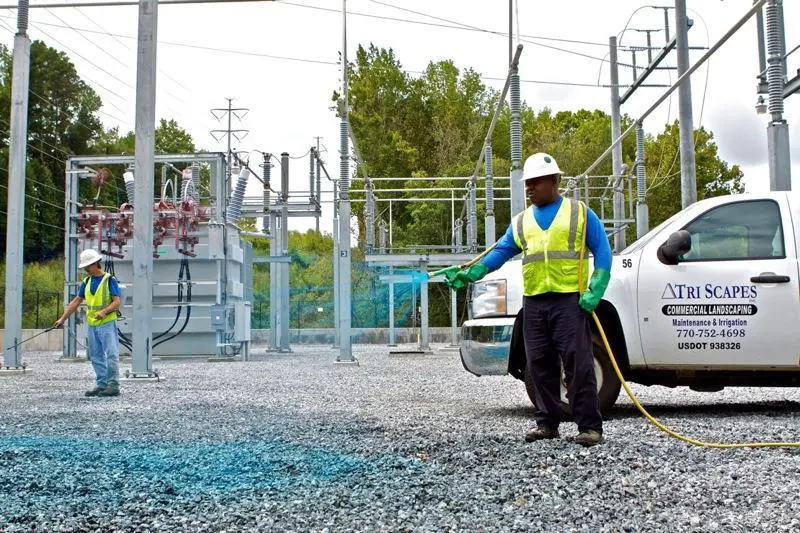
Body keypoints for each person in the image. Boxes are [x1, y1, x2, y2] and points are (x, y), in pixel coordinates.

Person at [446, 153, 612, 447]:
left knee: (579, 363)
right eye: (528, 183)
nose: (530, 188)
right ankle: (547, 423)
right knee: (538, 365)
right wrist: (471, 273)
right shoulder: (521, 222)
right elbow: (500, 252)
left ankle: (589, 427)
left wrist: (595, 289)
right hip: (534, 303)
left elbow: (603, 251)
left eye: (535, 182)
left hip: (569, 301)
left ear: (555, 181)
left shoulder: (581, 213)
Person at [54, 248, 122, 398]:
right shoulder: (86, 281)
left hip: (107, 323)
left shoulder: (110, 280)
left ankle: (113, 386)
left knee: (111, 354)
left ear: (96, 263)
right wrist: (62, 319)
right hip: (92, 324)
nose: (86, 269)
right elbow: (76, 302)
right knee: (96, 355)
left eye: (88, 266)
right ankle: (102, 384)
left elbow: (117, 302)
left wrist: (104, 312)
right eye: (85, 267)